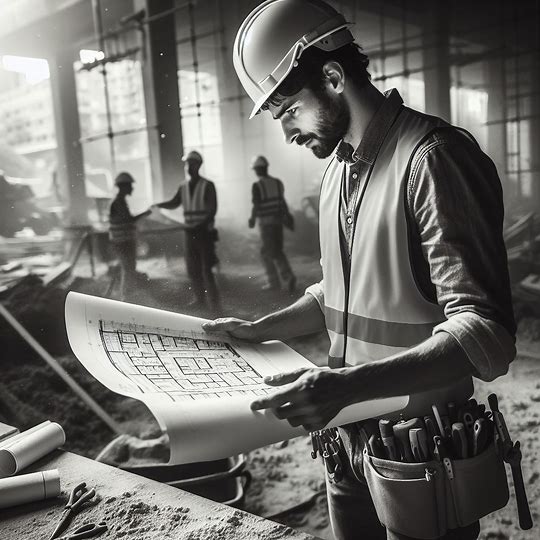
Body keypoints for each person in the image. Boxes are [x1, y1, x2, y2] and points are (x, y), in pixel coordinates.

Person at [204, 1, 517, 539]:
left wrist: (344, 387)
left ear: (332, 76)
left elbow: (484, 335)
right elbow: (344, 294)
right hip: (346, 444)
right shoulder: (338, 172)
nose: (287, 134)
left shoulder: (433, 160)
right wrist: (260, 329)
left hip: (422, 450)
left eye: (288, 112)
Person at [154, 150, 221, 311]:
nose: (188, 167)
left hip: (204, 233)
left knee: (206, 269)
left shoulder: (208, 185)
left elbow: (212, 210)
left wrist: (200, 224)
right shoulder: (183, 186)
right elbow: (174, 202)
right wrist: (158, 205)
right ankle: (200, 300)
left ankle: (214, 302)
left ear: (198, 165)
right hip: (190, 233)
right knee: (193, 268)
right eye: (187, 164)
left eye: (191, 164)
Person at [248, 155, 296, 292]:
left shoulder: (257, 185)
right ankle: (287, 277)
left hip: (266, 224)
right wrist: (287, 216)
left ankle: (276, 282)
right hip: (277, 223)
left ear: (257, 170)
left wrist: (252, 219)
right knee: (277, 251)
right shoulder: (277, 182)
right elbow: (282, 202)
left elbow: (256, 205)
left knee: (267, 253)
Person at [108, 172, 151, 301]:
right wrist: (145, 213)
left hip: (122, 241)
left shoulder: (120, 202)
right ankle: (126, 298)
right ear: (124, 186)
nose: (132, 188)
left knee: (129, 268)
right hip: (123, 242)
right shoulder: (118, 203)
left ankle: (127, 296)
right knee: (128, 269)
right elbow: (128, 220)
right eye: (130, 186)